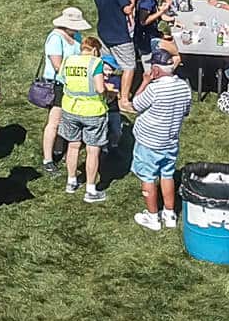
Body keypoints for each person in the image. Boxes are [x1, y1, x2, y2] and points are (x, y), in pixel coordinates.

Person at [127, 48, 192, 231]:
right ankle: (169, 214)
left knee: (147, 176)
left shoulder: (154, 89)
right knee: (167, 174)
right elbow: (186, 111)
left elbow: (136, 104)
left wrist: (145, 82)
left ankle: (153, 216)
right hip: (170, 140)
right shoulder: (184, 87)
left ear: (155, 70)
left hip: (149, 142)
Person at [59, 34, 112, 203]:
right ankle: (90, 189)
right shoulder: (96, 63)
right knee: (93, 150)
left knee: (73, 146)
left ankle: (71, 181)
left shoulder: (68, 61)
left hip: (70, 108)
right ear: (95, 50)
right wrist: (108, 91)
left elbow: (63, 80)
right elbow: (99, 88)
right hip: (93, 111)